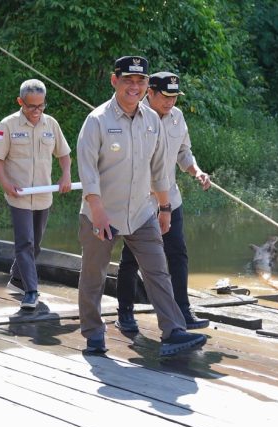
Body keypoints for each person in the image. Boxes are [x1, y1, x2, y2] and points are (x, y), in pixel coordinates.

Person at [76, 56, 207, 356]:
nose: (134, 87)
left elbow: (160, 169)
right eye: (128, 81)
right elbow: (88, 171)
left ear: (147, 85)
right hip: (102, 213)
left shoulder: (151, 121)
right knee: (94, 275)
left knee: (157, 270)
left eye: (140, 82)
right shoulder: (97, 120)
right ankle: (94, 335)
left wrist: (164, 208)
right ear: (115, 80)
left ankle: (173, 330)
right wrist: (96, 210)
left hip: (141, 212)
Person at [115, 72, 211, 332]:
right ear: (151, 93)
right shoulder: (136, 117)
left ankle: (183, 310)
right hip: (140, 202)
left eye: (174, 97)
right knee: (132, 259)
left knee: (177, 254)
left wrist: (197, 171)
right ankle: (125, 312)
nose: (170, 102)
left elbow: (184, 152)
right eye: (165, 97)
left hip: (171, 198)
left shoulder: (177, 117)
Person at [0, 79, 71, 310]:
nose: (36, 111)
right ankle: (31, 291)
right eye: (31, 106)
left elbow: (63, 154)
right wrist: (5, 183)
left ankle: (16, 278)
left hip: (44, 195)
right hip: (19, 195)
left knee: (35, 246)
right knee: (24, 243)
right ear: (20, 102)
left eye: (41, 106)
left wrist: (65, 175)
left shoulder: (50, 124)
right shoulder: (8, 125)